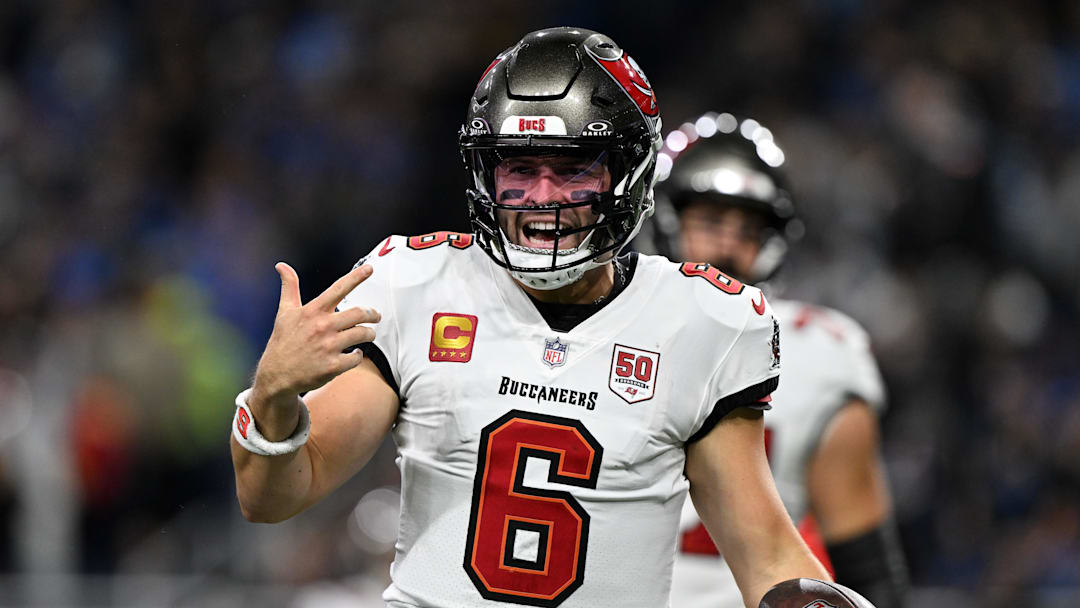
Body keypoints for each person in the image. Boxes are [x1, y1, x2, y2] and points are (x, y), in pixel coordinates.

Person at [230, 29, 831, 608]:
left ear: (628, 173)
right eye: (518, 168)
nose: (542, 196)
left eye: (571, 169)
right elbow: (273, 496)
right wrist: (274, 395)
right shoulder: (414, 285)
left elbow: (771, 562)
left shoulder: (700, 322)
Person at [640, 112, 908, 608]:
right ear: (665, 216)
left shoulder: (819, 355)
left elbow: (866, 564)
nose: (727, 245)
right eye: (711, 221)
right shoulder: (609, 323)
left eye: (748, 229)